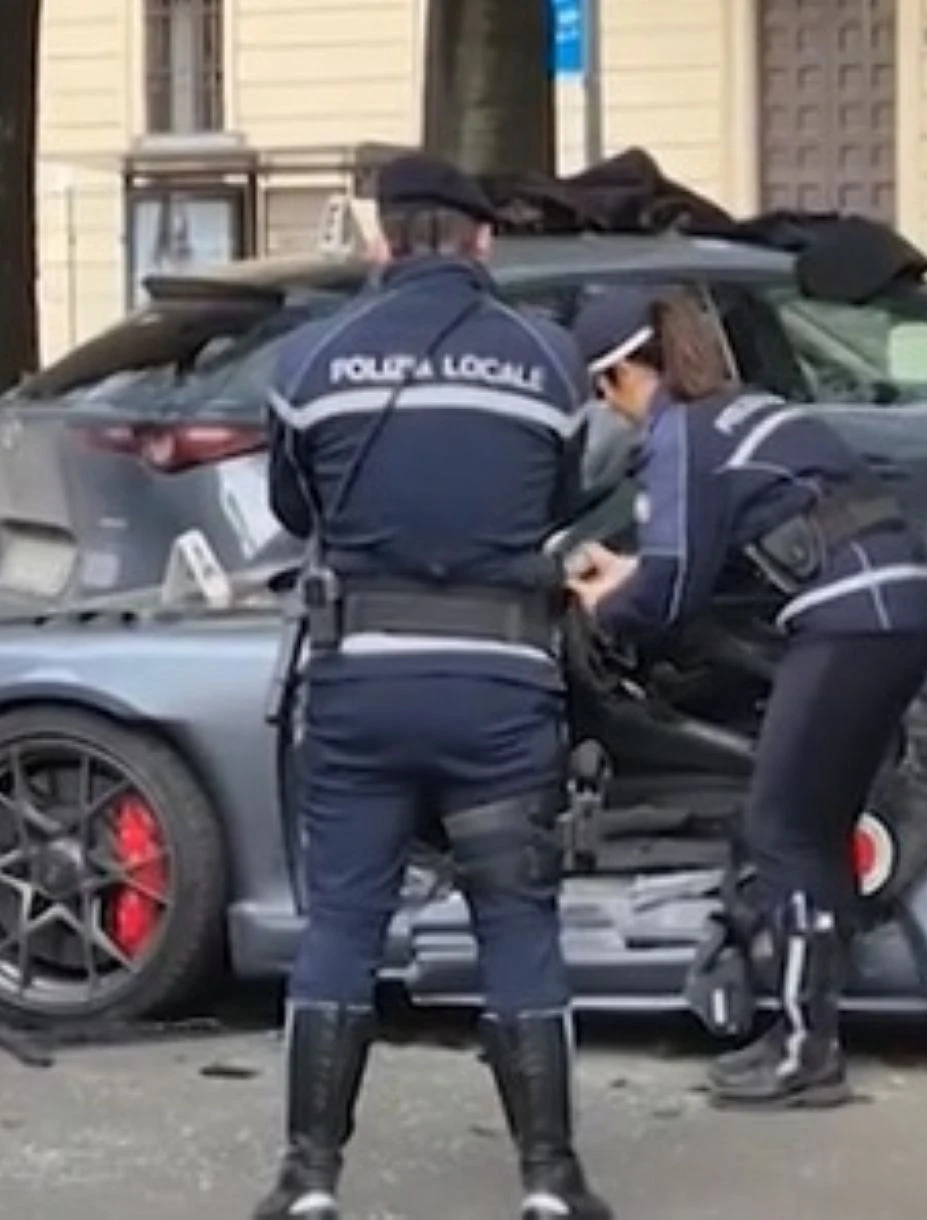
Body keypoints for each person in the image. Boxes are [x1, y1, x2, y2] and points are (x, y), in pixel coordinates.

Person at [254, 152, 612, 1220]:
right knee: (517, 920)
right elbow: (559, 498)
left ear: (382, 240)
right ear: (482, 241)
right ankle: (550, 1179)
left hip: (362, 684)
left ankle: (309, 1178)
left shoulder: (310, 359)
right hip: (501, 691)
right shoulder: (551, 362)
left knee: (344, 922)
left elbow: (292, 507)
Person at [565, 286, 927, 1110]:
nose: (609, 408)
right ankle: (811, 1037)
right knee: (817, 826)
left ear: (627, 371)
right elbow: (713, 551)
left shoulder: (681, 437)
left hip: (849, 625)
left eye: (605, 388)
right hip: (897, 610)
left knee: (779, 824)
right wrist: (636, 574)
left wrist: (601, 601)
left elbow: (670, 594)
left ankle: (806, 1052)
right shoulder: (743, 412)